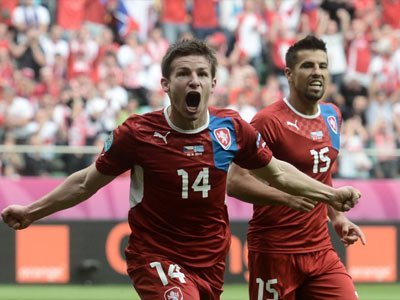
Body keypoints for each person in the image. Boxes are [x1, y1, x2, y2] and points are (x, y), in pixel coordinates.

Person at [1, 39, 360, 300]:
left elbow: (278, 172)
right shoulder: (138, 133)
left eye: (202, 74)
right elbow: (84, 183)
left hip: (209, 261)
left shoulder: (230, 131)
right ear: (166, 84)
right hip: (155, 255)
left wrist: (332, 199)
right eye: (184, 74)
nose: (194, 81)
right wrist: (32, 211)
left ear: (213, 85)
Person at [227, 35, 366, 300]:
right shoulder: (268, 121)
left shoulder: (332, 115)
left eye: (323, 66)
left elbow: (322, 174)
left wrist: (337, 217)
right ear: (289, 74)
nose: (317, 72)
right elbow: (236, 182)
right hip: (274, 251)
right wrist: (284, 197)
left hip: (320, 250)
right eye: (308, 66)